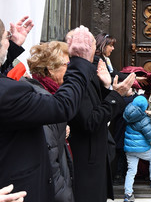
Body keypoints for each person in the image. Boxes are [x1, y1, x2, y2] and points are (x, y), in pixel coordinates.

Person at [0, 24, 96, 202]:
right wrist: (81, 61)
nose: (9, 40)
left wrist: (11, 47)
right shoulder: (23, 92)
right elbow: (63, 106)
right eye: (6, 37)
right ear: (51, 69)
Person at [68, 39, 136, 202]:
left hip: (96, 154)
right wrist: (115, 95)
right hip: (85, 159)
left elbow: (97, 106)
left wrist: (107, 87)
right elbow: (91, 119)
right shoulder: (77, 80)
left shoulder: (87, 74)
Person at [24, 41, 75, 202]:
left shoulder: (51, 93)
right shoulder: (42, 99)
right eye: (67, 64)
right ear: (51, 68)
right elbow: (50, 155)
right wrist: (64, 194)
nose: (70, 70)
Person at [123, 95, 151, 202]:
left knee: (131, 170)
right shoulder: (143, 119)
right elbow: (150, 135)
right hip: (141, 148)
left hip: (129, 148)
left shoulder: (128, 114)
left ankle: (128, 194)